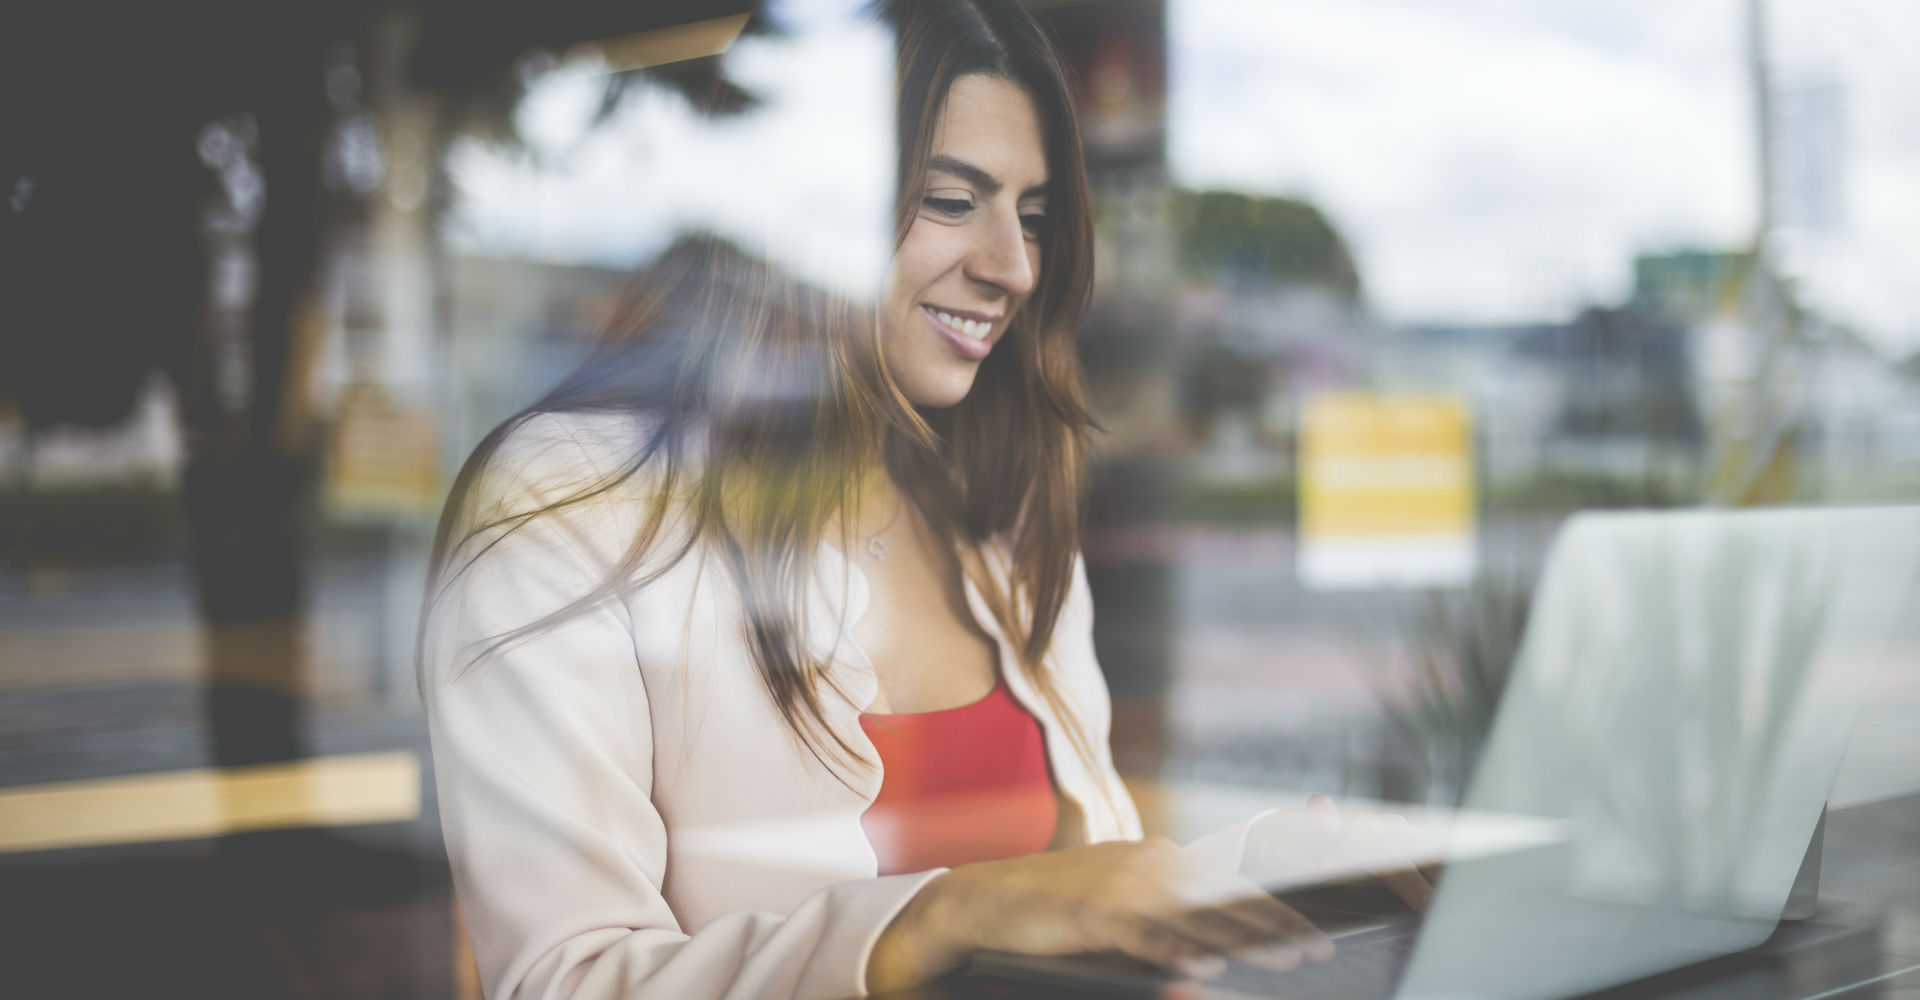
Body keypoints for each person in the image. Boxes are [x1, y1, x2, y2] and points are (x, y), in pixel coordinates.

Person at [419, 2, 1355, 996]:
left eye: (1031, 218)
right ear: (812, 207)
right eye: (954, 201)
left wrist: (1259, 873)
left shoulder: (1003, 518)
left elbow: (1065, 909)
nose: (1013, 266)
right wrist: (932, 920)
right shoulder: (568, 508)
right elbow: (567, 981)